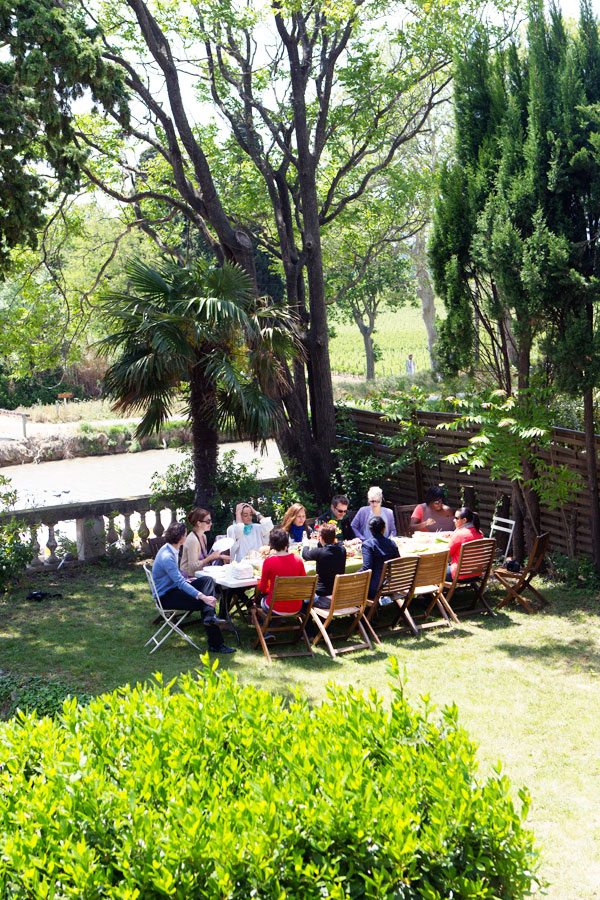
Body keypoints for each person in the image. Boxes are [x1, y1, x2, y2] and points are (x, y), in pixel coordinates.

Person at [151, 521, 235, 654]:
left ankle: (209, 618)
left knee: (207, 580)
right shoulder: (167, 556)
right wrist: (203, 597)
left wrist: (188, 580)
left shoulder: (170, 548)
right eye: (185, 534)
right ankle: (216, 643)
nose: (187, 536)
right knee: (205, 603)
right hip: (166, 597)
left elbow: (177, 578)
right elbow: (179, 583)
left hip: (173, 589)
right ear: (181, 538)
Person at [258, 527, 306, 613]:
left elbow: (262, 588)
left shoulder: (268, 562)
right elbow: (303, 582)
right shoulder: (298, 559)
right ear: (287, 543)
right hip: (296, 606)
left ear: (271, 545)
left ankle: (262, 620)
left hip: (275, 606)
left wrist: (269, 590)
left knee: (261, 599)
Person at [301, 522, 346, 607]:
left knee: (303, 597)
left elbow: (305, 555)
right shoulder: (342, 550)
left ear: (320, 538)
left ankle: (307, 619)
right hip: (339, 597)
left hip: (323, 598)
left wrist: (306, 545)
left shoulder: (320, 553)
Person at [180, 508, 230, 578]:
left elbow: (203, 557)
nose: (211, 523)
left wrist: (219, 556)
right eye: (208, 521)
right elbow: (193, 567)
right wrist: (210, 558)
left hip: (200, 574)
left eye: (210, 521)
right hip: (189, 578)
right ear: (199, 523)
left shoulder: (203, 536)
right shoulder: (193, 540)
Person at [359, 515, 400, 598]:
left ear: (370, 530)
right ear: (384, 528)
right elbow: (398, 563)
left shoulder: (368, 545)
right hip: (392, 585)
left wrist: (352, 576)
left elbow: (367, 568)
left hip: (375, 589)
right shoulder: (391, 543)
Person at [447, 507, 484, 580]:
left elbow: (447, 553)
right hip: (476, 572)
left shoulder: (460, 534)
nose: (454, 520)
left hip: (460, 574)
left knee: (435, 569)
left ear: (464, 520)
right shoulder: (479, 532)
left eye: (456, 518)